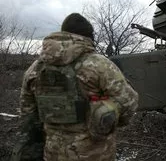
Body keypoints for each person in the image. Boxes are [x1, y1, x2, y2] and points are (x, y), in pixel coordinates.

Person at [12, 13, 138, 161]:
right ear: (88, 36)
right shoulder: (99, 65)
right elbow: (129, 103)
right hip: (96, 154)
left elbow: (28, 114)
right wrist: (105, 116)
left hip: (53, 153)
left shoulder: (35, 69)